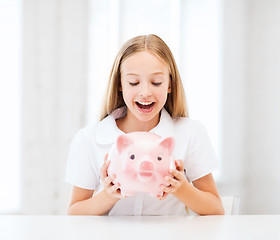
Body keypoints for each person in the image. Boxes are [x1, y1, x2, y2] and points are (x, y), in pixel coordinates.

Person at [65, 34, 224, 216]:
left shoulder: (190, 133)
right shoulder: (89, 139)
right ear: (120, 84)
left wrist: (181, 188)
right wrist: (109, 195)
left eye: (156, 82)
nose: (145, 92)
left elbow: (216, 209)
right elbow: (74, 212)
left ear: (170, 85)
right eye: (134, 82)